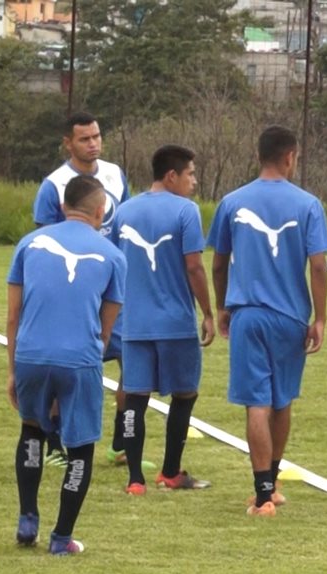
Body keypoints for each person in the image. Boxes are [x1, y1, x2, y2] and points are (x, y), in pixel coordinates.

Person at [208, 125, 327, 517]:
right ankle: (271, 486)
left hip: (248, 314)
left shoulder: (232, 202)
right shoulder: (308, 204)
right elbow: (318, 266)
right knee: (282, 401)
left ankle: (261, 494)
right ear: (291, 156)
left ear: (258, 155)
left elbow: (218, 262)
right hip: (291, 317)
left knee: (255, 405)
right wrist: (320, 317)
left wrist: (223, 306)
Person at [8, 175, 126, 555]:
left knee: (31, 429)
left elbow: (13, 315)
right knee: (81, 448)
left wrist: (13, 369)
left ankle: (28, 519)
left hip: (31, 354)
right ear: (100, 210)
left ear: (61, 207)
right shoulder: (112, 255)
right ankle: (61, 538)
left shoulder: (29, 244)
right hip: (79, 358)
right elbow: (106, 327)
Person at [108, 145, 216, 495]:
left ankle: (135, 479)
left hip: (134, 323)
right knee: (185, 395)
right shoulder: (186, 211)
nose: (194, 182)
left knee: (134, 399)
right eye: (191, 174)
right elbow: (194, 266)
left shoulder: (124, 212)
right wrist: (209, 312)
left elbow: (113, 261)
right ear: (172, 176)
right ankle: (170, 472)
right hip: (175, 322)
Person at [32, 112, 131, 469]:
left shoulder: (115, 175)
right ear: (68, 143)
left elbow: (124, 226)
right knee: (66, 366)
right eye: (85, 139)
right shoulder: (55, 185)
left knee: (130, 363)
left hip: (113, 286)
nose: (93, 143)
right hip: (74, 292)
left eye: (97, 136)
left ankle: (122, 443)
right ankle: (56, 442)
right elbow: (44, 243)